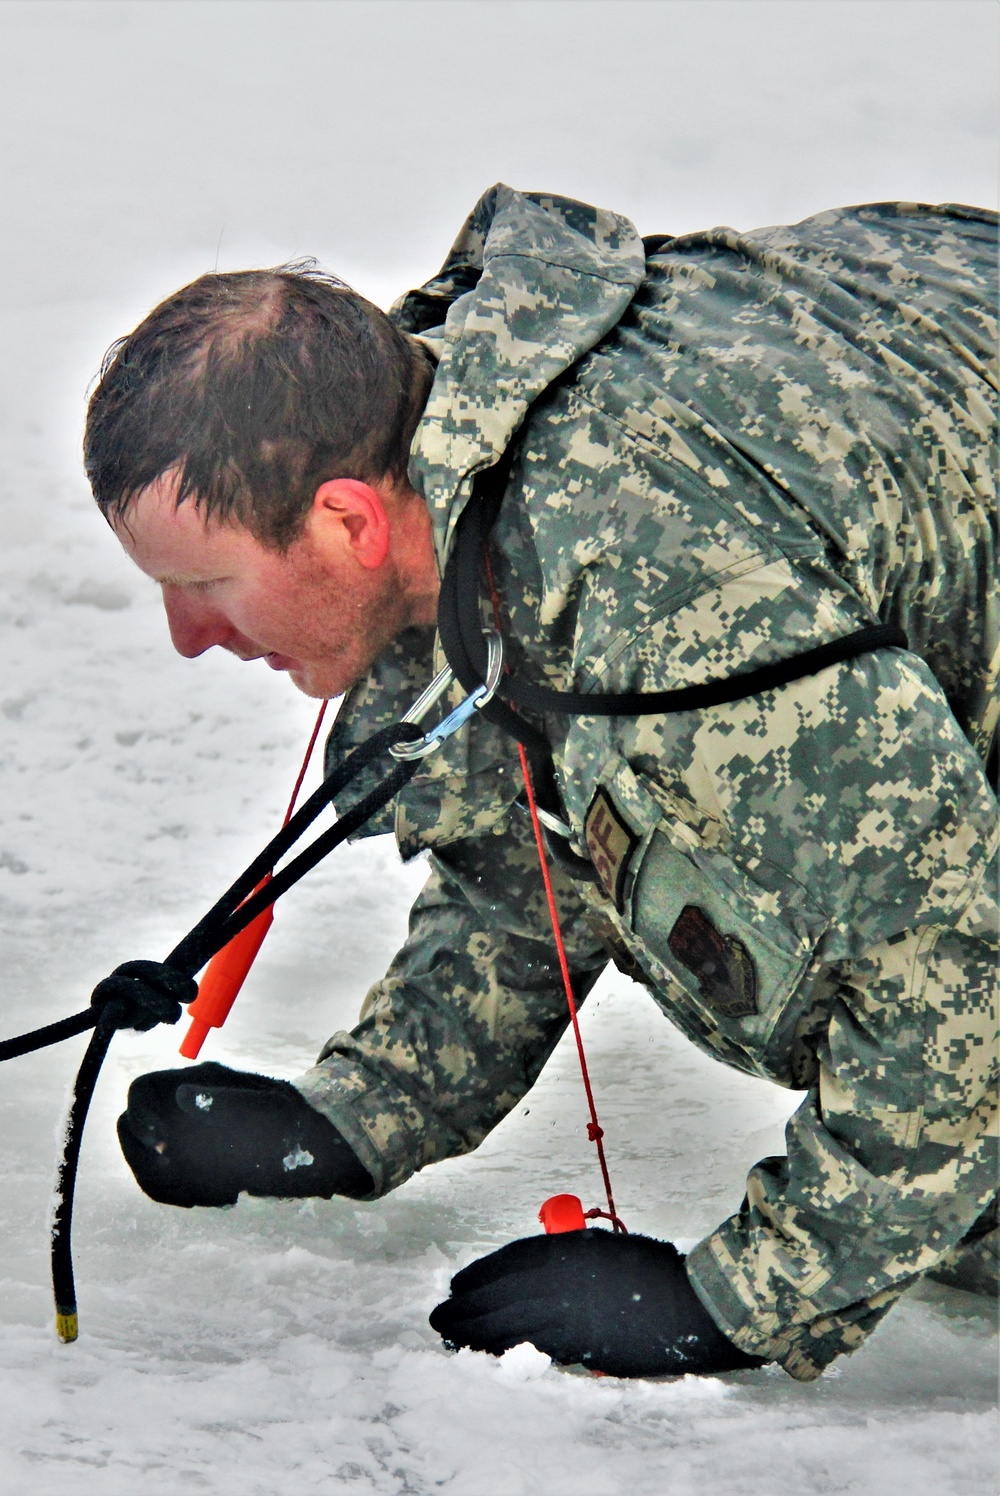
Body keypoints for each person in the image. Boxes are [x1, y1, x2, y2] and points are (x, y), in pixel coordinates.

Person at [86, 186, 998, 1382]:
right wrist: (362, 1112)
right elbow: (543, 829)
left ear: (347, 519)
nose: (186, 636)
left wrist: (733, 1297)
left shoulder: (672, 582)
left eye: (205, 582)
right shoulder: (451, 457)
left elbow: (952, 968)